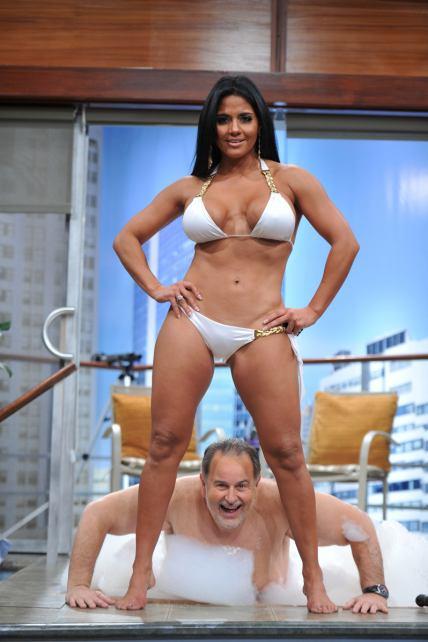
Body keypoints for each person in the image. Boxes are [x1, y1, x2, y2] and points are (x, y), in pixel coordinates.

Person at [112, 75, 359, 612]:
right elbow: (126, 237)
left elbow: (345, 242)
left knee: (287, 453)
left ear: (259, 123)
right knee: (163, 444)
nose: (234, 128)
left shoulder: (292, 181)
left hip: (262, 328)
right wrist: (156, 287)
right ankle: (141, 572)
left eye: (244, 118)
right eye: (223, 119)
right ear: (211, 126)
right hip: (193, 321)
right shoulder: (191, 188)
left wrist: (312, 310)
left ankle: (313, 578)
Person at [66, 440, 388, 614]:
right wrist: (79, 585)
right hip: (188, 614)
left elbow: (358, 526)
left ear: (257, 484)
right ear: (203, 482)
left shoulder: (281, 503)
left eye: (242, 486)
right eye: (221, 485)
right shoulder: (175, 497)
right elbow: (96, 514)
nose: (231, 498)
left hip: (268, 607)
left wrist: (375, 592)